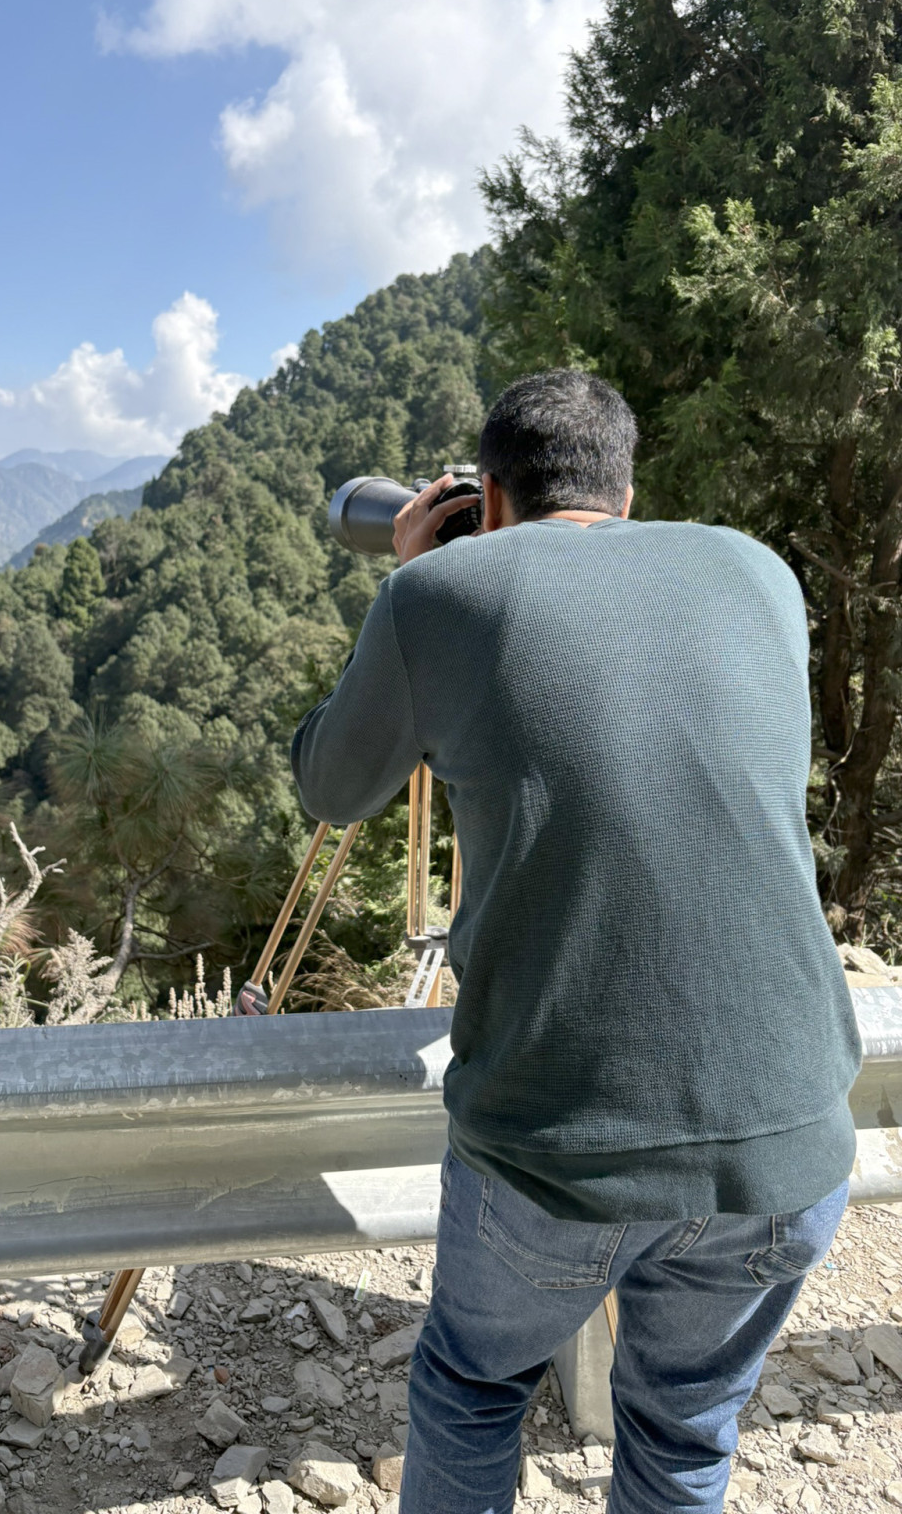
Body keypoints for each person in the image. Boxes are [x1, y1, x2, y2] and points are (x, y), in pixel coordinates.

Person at [290, 370, 861, 1514]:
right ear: (629, 492)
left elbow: (332, 786)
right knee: (687, 1429)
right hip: (792, 1142)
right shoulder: (760, 573)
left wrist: (420, 578)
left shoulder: (440, 594)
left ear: (487, 497)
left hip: (559, 1152)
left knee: (471, 1381)